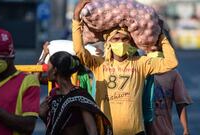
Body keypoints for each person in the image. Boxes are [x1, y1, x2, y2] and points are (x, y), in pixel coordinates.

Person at [72, 0, 178, 134]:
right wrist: (76, 19)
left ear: (130, 43)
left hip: (135, 132)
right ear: (108, 44)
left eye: (124, 39)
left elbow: (171, 62)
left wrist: (161, 36)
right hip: (107, 130)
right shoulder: (99, 64)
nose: (120, 43)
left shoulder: (141, 63)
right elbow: (79, 51)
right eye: (116, 39)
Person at [38, 51, 113, 135]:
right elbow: (55, 128)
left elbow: (91, 129)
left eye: (48, 67)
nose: (46, 70)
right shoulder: (53, 96)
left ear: (54, 70)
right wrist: (43, 115)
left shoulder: (80, 97)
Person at [143, 49, 192, 135]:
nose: (155, 52)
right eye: (151, 50)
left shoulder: (173, 74)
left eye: (157, 49)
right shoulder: (139, 71)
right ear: (145, 52)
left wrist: (185, 129)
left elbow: (180, 103)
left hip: (165, 130)